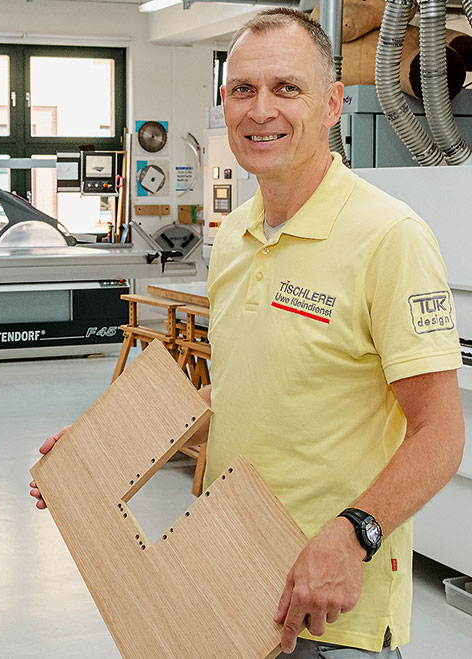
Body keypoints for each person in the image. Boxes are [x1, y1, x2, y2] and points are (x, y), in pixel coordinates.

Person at [30, 8, 465, 658]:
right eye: (242, 90)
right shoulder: (233, 237)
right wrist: (101, 448)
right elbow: (235, 398)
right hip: (225, 588)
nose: (261, 109)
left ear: (332, 104)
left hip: (332, 616)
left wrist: (355, 531)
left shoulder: (389, 237)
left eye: (287, 88)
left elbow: (441, 433)